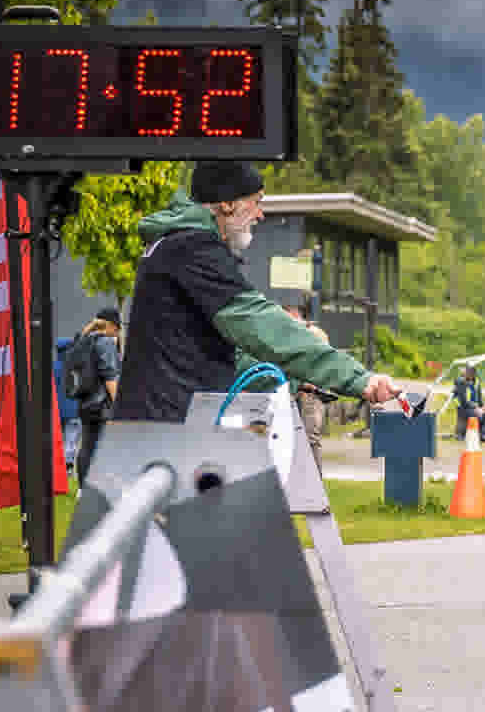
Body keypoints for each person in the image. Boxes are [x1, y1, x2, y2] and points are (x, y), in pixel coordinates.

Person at [113, 161, 399, 430]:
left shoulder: (177, 245)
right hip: (166, 431)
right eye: (257, 201)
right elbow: (261, 325)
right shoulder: (193, 248)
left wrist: (297, 376)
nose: (261, 214)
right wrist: (357, 377)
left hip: (161, 424)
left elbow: (223, 354)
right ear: (226, 203)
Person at [66, 308, 123, 484]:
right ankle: (104, 486)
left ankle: (83, 487)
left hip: (85, 401)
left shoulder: (84, 341)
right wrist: (117, 405)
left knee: (87, 446)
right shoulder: (105, 343)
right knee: (107, 447)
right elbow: (110, 376)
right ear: (112, 326)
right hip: (102, 404)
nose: (118, 332)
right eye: (117, 328)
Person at [283, 304, 330, 472]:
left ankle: (315, 478)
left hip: (312, 392)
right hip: (297, 390)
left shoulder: (314, 334)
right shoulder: (294, 334)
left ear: (295, 314)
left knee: (310, 437)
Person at [54, 336, 80, 471]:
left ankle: (57, 466)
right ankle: (68, 466)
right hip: (74, 410)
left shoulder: (53, 367)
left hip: (56, 411)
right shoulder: (76, 368)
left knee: (57, 441)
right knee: (71, 440)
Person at [451, 365, 485, 441]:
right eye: (469, 372)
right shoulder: (461, 382)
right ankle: (461, 434)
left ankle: (484, 434)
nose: (471, 375)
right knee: (477, 415)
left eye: (473, 373)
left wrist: (484, 406)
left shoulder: (476, 383)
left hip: (474, 407)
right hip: (463, 407)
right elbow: (464, 401)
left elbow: (479, 399)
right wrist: (476, 408)